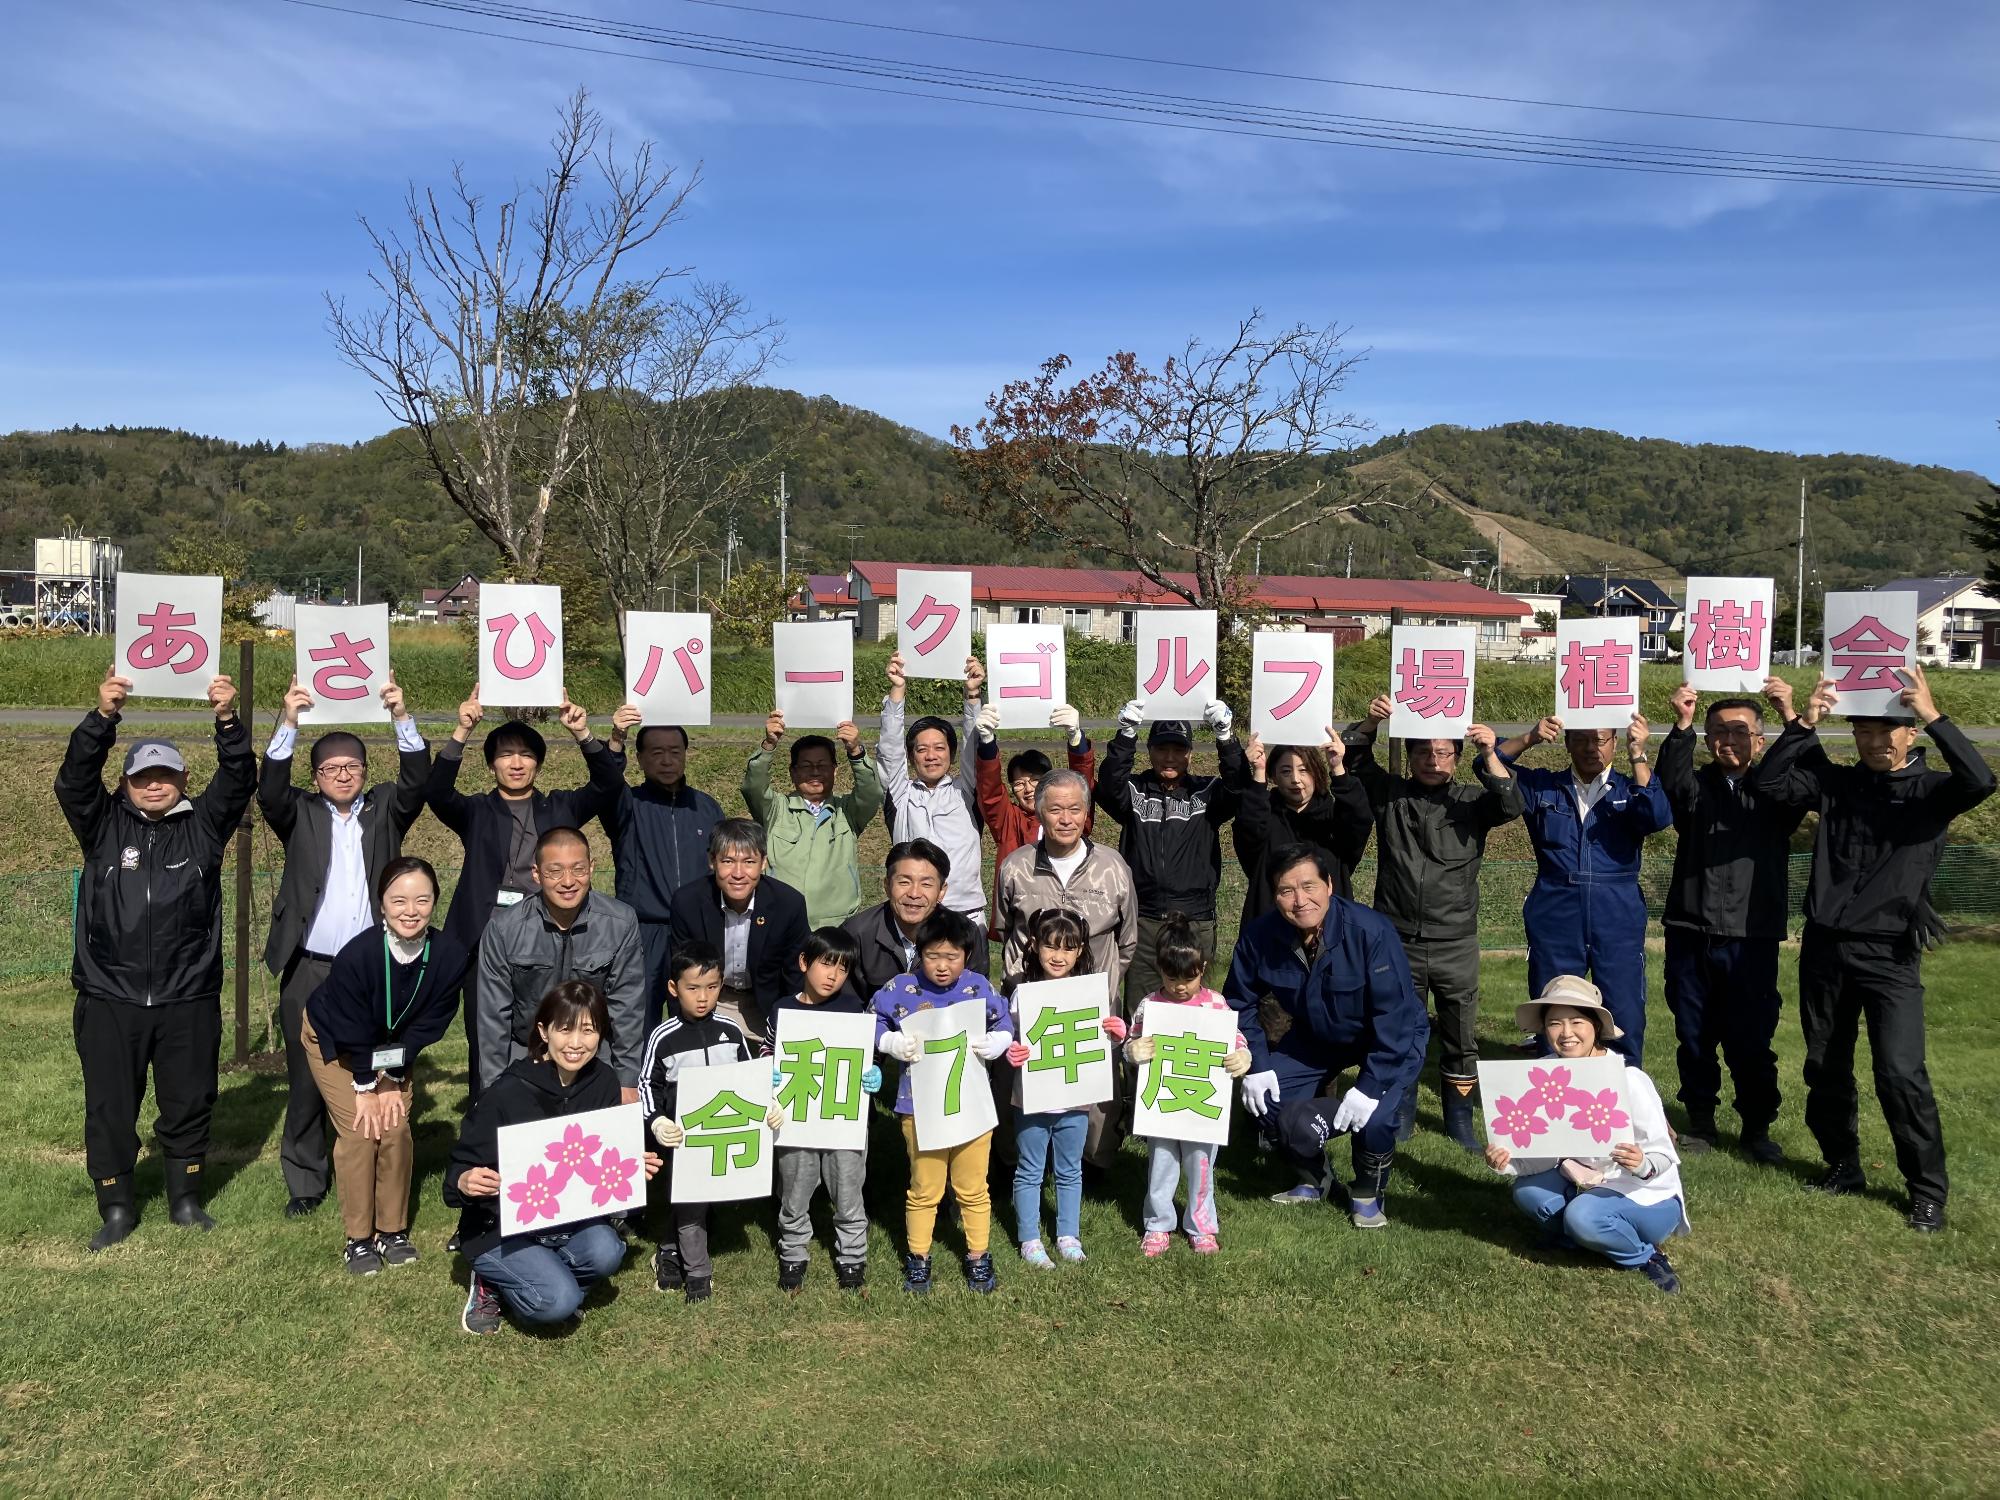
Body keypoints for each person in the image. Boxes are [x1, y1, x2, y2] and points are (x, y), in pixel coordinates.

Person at [1751, 667, 1994, 1233]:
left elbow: (1981, 780)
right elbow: (1769, 784)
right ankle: (1843, 1164)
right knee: (1824, 1065)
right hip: (1825, 947)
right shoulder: (1838, 784)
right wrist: (1805, 722)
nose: (1876, 741)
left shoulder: (1933, 792)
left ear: (1911, 734)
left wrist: (1934, 714)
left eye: (1889, 731)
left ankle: (1926, 1191)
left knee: (1900, 1073)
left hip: (1889, 954)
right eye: (1864, 731)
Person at [57, 666, 254, 1249]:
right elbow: (74, 780)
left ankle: (185, 1199)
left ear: (183, 780)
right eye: (143, 777)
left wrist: (227, 720)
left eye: (165, 776)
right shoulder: (101, 826)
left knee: (189, 1101)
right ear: (125, 783)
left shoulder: (204, 828)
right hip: (109, 996)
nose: (154, 786)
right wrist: (104, 716)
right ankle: (116, 1206)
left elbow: (239, 778)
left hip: (187, 995)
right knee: (110, 1107)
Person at [260, 672, 431, 1221]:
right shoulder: (301, 812)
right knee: (306, 1075)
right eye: (330, 768)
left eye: (351, 767)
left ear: (364, 772)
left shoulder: (385, 809)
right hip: (310, 966)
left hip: (371, 969)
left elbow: (418, 779)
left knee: (375, 1064)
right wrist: (289, 721)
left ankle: (375, 1157)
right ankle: (305, 1179)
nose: (341, 775)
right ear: (316, 776)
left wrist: (400, 715)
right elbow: (269, 791)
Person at [426, 688, 626, 1100]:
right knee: (488, 1039)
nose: (516, 763)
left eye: (525, 755)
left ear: (538, 762)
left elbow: (608, 784)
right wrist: (462, 731)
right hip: (484, 942)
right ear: (491, 764)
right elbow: (437, 792)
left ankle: (559, 1109)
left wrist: (583, 733)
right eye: (505, 755)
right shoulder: (476, 811)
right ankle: (490, 1111)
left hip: (548, 937)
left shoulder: (560, 807)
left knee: (559, 1030)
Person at [1347, 696, 1523, 1150]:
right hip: (1398, 940)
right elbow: (1353, 757)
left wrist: (1490, 753)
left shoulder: (1472, 801)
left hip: (1455, 941)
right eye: (1424, 751)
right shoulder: (1391, 796)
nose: (1433, 759)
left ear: (1457, 759)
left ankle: (1459, 1121)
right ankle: (1401, 1111)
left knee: (1460, 1035)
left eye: (1444, 752)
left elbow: (1510, 804)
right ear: (1409, 757)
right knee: (1399, 1030)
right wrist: (1370, 721)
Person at [1224, 845, 1429, 1226]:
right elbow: (1238, 1001)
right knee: (1265, 1099)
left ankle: (1367, 1191)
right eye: (1286, 891)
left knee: (1376, 1119)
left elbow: (1395, 1017)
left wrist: (1369, 1087)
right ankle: (1315, 1176)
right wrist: (1258, 1063)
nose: (1300, 901)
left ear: (1329, 885)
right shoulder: (1260, 936)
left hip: (1390, 1038)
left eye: (1309, 886)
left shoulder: (1370, 931)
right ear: (1274, 896)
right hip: (1317, 1034)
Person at [446, 981, 660, 1334]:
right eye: (565, 1029)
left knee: (609, 1250)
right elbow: (456, 1175)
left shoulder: (604, 1082)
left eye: (588, 1030)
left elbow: (601, 1157)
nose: (576, 1043)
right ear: (544, 1031)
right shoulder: (507, 1092)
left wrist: (630, 1165)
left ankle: (535, 1277)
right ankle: (491, 1281)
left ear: (601, 1034)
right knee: (560, 1301)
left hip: (567, 1223)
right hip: (500, 1229)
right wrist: (465, 1181)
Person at [1655, 685, 1807, 1160]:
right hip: (1691, 931)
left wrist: (1792, 716)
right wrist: (1682, 725)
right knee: (1694, 1033)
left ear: (1760, 740)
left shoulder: (1776, 792)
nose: (1729, 740)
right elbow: (1669, 782)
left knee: (1751, 1037)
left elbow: (1807, 773)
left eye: (1740, 731)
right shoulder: (1696, 787)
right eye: (1718, 732)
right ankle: (1701, 1120)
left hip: (1752, 935)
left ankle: (1757, 1127)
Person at [302, 857, 471, 1274]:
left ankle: (391, 1230)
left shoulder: (449, 955)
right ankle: (358, 1238)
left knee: (394, 1128)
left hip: (394, 1050)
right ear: (381, 904)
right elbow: (350, 1027)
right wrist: (365, 1085)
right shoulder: (357, 955)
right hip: (337, 1042)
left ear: (435, 902)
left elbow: (431, 1023)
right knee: (363, 1130)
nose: (410, 911)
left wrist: (393, 1077)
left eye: (422, 900)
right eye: (399, 901)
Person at [1484, 976, 1688, 1294]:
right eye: (1554, 1023)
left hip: (1646, 1195)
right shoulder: (1544, 1073)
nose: (1566, 1033)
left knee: (1582, 1216)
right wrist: (1507, 1160)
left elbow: (1664, 1154)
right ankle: (1577, 1236)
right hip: (1589, 1183)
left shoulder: (1629, 1079)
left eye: (1577, 1021)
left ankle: (1645, 1255)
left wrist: (1641, 1163)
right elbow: (1546, 1154)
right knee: (1528, 1192)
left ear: (1596, 1026)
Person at [1496, 712, 1669, 1062]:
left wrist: (1639, 754)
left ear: (1614, 743)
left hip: (1617, 913)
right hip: (1555, 912)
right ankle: (1557, 1090)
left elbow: (1657, 816)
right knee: (1556, 1010)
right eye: (1582, 740)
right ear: (1567, 743)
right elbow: (1490, 764)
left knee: (1623, 1012)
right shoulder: (1543, 786)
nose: (1592, 748)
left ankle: (1623, 1089)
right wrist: (1530, 737)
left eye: (1601, 739)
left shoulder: (1630, 788)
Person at [994, 769, 1139, 1167]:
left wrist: (1102, 985)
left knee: (1094, 1087)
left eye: (1075, 809)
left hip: (1091, 1002)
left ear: (1086, 813)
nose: (1065, 819)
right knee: (1018, 1078)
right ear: (1039, 812)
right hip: (1030, 1000)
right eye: (1055, 809)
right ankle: (1016, 1162)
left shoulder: (1112, 867)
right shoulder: (1016, 866)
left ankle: (1095, 1161)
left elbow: (1127, 940)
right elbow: (1006, 930)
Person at [871, 910, 1011, 1296]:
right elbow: (873, 1019)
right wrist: (888, 1042)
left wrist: (999, 1041)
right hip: (919, 1107)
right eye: (933, 956)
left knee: (973, 1186)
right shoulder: (901, 988)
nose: (942, 965)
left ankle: (978, 1255)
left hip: (971, 1107)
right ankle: (918, 1257)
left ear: (967, 955)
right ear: (919, 953)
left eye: (952, 956)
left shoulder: (977, 987)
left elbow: (1003, 1020)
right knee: (925, 1187)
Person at [476, 827, 647, 1101]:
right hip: (528, 1052)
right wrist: (495, 1088)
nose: (568, 881)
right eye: (555, 872)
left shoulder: (621, 923)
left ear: (591, 867)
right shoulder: (504, 929)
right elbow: (493, 1017)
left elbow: (627, 1007)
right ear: (536, 874)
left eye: (578, 869)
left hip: (593, 1053)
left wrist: (627, 1079)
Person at [640, 942, 770, 1302]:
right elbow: (647, 1084)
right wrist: (657, 1121)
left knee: (700, 1201)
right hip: (683, 1140)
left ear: (721, 985)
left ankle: (669, 1247)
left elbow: (750, 1077)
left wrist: (768, 1106)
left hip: (724, 1134)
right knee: (690, 1203)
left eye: (712, 987)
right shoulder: (663, 1037)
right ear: (673, 988)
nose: (702, 997)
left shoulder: (731, 1030)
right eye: (692, 988)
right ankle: (698, 1272)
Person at [1097, 701, 1246, 1009]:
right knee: (1141, 1010)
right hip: (1143, 920)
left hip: (1195, 920)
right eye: (1162, 749)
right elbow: (1109, 788)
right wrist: (1126, 735)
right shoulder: (1134, 790)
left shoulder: (1206, 792)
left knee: (1195, 1009)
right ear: (1149, 750)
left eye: (1178, 750)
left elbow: (1239, 787)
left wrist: (1226, 738)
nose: (1169, 757)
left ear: (1190, 753)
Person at [1004, 908, 1127, 1270]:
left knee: (1070, 1169)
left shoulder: (1089, 995)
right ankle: (1029, 1239)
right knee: (1030, 1169)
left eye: (1068, 948)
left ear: (1080, 951)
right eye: (1050, 946)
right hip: (1031, 1099)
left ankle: (1068, 1235)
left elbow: (1101, 1041)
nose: (1058, 956)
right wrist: (1012, 1050)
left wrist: (1116, 1033)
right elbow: (1009, 1037)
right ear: (1034, 946)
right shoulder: (1022, 995)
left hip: (1075, 1100)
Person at [1122, 913, 1250, 1257]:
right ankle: (1158, 1224)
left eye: (1189, 978)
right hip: (1163, 1103)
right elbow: (1132, 1041)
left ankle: (1201, 1226)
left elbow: (1235, 1038)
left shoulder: (1215, 1004)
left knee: (1201, 1164)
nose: (1180, 986)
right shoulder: (1151, 1005)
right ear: (1159, 969)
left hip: (1200, 1102)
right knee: (1161, 1163)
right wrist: (1132, 1051)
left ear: (1203, 968)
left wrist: (1243, 1055)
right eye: (1171, 977)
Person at [767, 926, 882, 1293]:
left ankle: (852, 1256)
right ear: (804, 962)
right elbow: (769, 1050)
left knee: (848, 1189)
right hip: (796, 1119)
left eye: (843, 968)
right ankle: (793, 1251)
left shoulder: (853, 1009)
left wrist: (871, 1074)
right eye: (826, 964)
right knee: (794, 1190)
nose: (833, 975)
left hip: (842, 1120)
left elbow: (866, 1055)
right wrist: (768, 1072)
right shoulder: (782, 1010)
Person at [602, 709, 723, 1030]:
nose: (667, 761)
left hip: (696, 931)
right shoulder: (627, 805)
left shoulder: (706, 808)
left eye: (675, 752)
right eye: (657, 753)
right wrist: (616, 740)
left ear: (685, 755)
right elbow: (605, 784)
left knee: (698, 1020)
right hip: (644, 932)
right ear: (640, 759)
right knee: (638, 1021)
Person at [879, 652, 989, 961]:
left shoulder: (965, 791)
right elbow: (889, 752)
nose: (931, 756)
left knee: (973, 992)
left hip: (966, 915)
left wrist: (972, 696)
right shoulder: (900, 794)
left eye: (939, 748)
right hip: (914, 918)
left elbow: (975, 748)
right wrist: (897, 690)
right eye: (921, 749)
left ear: (951, 754)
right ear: (911, 756)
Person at [667, 818, 810, 1041]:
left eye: (749, 862)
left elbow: (796, 977)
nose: (738, 873)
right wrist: (683, 1033)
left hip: (767, 1001)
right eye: (728, 861)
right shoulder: (687, 902)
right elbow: (680, 971)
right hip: (714, 999)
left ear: (763, 862)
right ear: (712, 861)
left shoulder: (789, 905)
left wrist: (793, 1030)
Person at [742, 710, 883, 930]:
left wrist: (855, 751)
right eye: (806, 766)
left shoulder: (847, 811)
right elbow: (753, 787)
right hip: (783, 922)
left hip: (838, 925)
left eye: (822, 766)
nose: (815, 772)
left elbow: (871, 792)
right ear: (793, 773)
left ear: (835, 771)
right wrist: (769, 745)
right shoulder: (777, 809)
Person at [973, 701, 1095, 937]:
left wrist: (1076, 740)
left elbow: (1081, 787)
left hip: (1067, 919)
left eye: (1036, 780)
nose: (1028, 789)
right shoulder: (1009, 820)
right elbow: (990, 791)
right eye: (1019, 783)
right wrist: (987, 743)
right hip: (1021, 924)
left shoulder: (1067, 817)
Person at [1228, 731, 1372, 920]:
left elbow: (1359, 819)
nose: (1295, 779)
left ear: (1316, 773)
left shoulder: (1333, 819)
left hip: (1330, 926)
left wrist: (1338, 769)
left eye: (1304, 770)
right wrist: (1258, 773)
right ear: (1273, 776)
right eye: (1286, 771)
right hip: (1271, 927)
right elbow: (1248, 828)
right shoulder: (1264, 816)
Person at [840, 839, 950, 1005]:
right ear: (887, 885)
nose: (914, 893)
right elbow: (846, 1004)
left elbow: (974, 1000)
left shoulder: (963, 934)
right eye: (904, 882)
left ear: (941, 891)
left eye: (926, 884)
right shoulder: (857, 933)